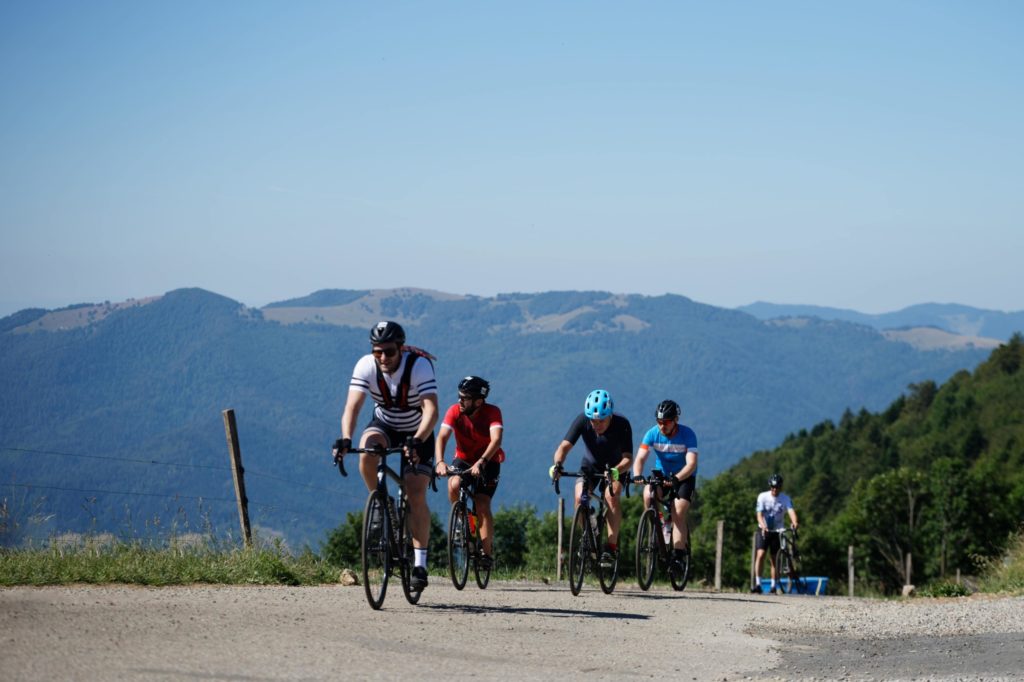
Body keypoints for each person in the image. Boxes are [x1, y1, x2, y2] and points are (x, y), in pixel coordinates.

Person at [332, 320, 439, 591]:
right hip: (385, 425)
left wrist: (418, 440)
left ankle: (420, 565)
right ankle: (380, 501)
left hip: (418, 430)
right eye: (377, 351)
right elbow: (353, 407)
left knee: (415, 492)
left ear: (401, 348)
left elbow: (431, 411)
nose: (382, 357)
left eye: (389, 351)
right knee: (367, 453)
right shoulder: (366, 365)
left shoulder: (419, 366)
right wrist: (345, 438)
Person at [550, 389, 633, 568]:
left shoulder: (622, 424)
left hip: (616, 468)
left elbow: (628, 459)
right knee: (579, 498)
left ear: (610, 415)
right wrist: (558, 465)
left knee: (611, 497)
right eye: (593, 421)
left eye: (601, 420)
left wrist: (616, 471)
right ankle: (587, 534)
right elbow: (563, 447)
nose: (596, 424)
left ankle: (610, 548)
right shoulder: (582, 420)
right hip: (590, 465)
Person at [434, 375, 504, 568]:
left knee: (482, 504)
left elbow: (496, 440)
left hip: (489, 460)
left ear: (478, 402)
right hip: (464, 459)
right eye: (459, 396)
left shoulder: (492, 412)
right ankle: (463, 522)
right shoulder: (454, 411)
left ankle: (486, 554)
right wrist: (440, 462)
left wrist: (482, 461)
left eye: (464, 398)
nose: (460, 400)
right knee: (454, 484)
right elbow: (442, 437)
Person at [631, 399, 698, 570]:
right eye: (659, 421)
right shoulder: (652, 433)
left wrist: (677, 478)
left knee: (678, 511)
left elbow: (691, 464)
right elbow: (640, 458)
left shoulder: (688, 434)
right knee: (648, 495)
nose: (662, 426)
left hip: (684, 476)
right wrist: (637, 474)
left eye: (666, 422)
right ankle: (658, 523)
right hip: (662, 474)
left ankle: (678, 555)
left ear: (676, 420)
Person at [752, 473, 799, 594]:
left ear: (780, 487)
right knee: (760, 554)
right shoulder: (762, 496)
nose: (774, 489)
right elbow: (759, 515)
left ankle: (773, 586)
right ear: (770, 486)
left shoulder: (785, 499)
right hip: (764, 529)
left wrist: (795, 522)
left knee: (774, 559)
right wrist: (763, 526)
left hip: (778, 531)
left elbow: (791, 512)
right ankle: (758, 584)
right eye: (772, 487)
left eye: (777, 487)